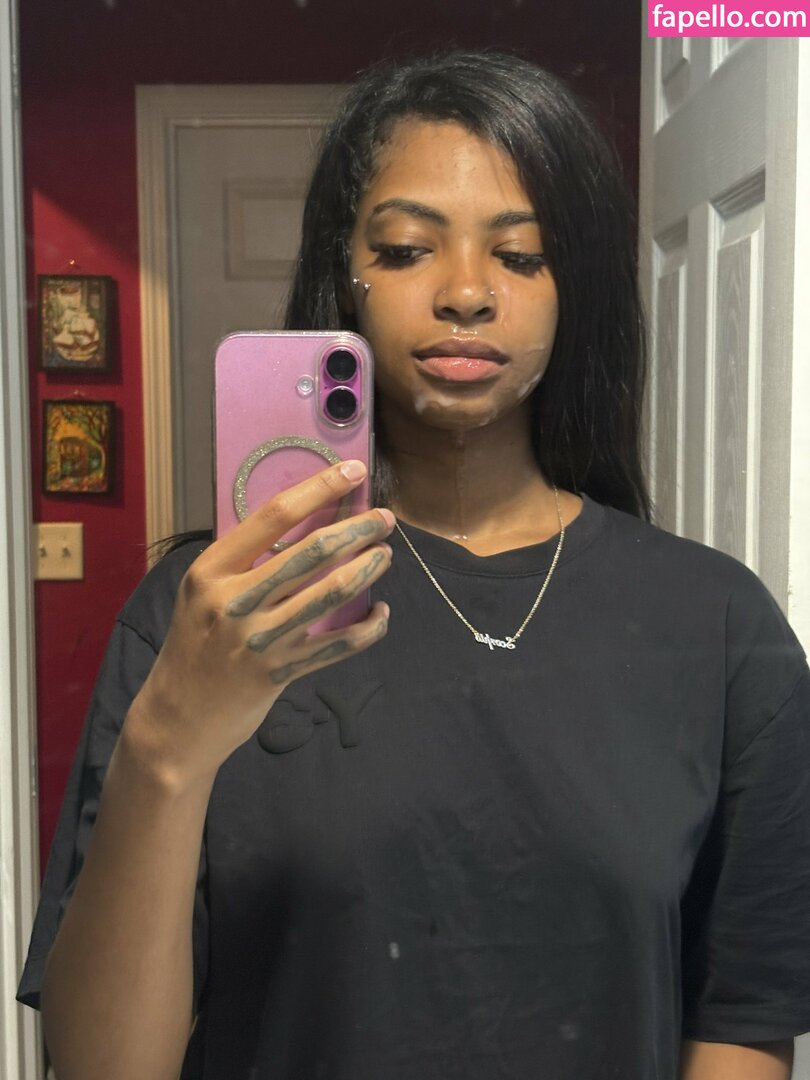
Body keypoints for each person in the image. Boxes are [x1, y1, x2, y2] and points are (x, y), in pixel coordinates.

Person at [18, 51, 810, 1080]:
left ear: (577, 289)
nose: (466, 292)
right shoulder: (209, 617)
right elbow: (101, 1066)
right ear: (342, 273)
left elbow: (743, 1018)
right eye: (404, 250)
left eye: (519, 255)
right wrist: (169, 745)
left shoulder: (721, 630)